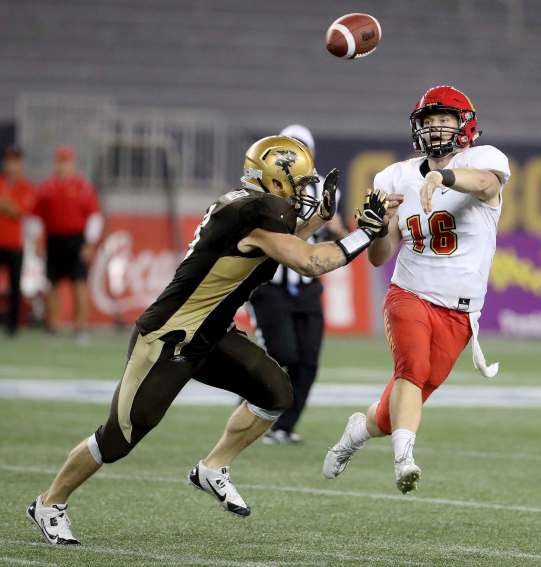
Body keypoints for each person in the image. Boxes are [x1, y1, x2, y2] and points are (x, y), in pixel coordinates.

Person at [27, 135, 401, 545]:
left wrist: (326, 218)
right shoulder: (256, 211)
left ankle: (213, 466)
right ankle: (49, 503)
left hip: (212, 333)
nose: (304, 193)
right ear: (275, 184)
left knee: (275, 392)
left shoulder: (253, 205)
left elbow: (289, 235)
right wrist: (362, 233)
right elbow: (308, 260)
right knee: (118, 438)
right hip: (170, 337)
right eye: (298, 184)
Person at [323, 85, 510, 494]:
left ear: (466, 126)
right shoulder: (393, 176)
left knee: (394, 410)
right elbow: (380, 256)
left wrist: (441, 176)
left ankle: (357, 431)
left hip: (460, 311)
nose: (436, 128)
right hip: (409, 292)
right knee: (412, 371)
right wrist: (374, 231)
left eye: (444, 120)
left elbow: (483, 184)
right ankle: (404, 458)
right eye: (429, 121)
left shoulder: (485, 159)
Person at [250, 125, 346, 445]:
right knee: (282, 354)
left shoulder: (322, 187)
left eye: (302, 147)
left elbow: (336, 230)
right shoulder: (268, 184)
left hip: (306, 286)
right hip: (272, 284)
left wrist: (353, 229)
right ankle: (254, 410)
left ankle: (283, 427)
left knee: (308, 360)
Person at [33, 146, 103, 340]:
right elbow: (36, 217)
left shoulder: (83, 187)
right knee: (52, 283)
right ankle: (53, 325)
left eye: (66, 162)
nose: (63, 166)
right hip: (53, 239)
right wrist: (38, 240)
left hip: (76, 239)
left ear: (72, 164)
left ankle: (81, 327)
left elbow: (94, 216)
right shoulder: (47, 188)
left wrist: (89, 242)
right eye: (60, 162)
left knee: (79, 283)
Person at [0, 146, 36, 336]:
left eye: (15, 161)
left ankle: (12, 327)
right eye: (9, 160)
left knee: (14, 286)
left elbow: (21, 212)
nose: (11, 165)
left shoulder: (26, 186)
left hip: (15, 244)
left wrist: (5, 206)